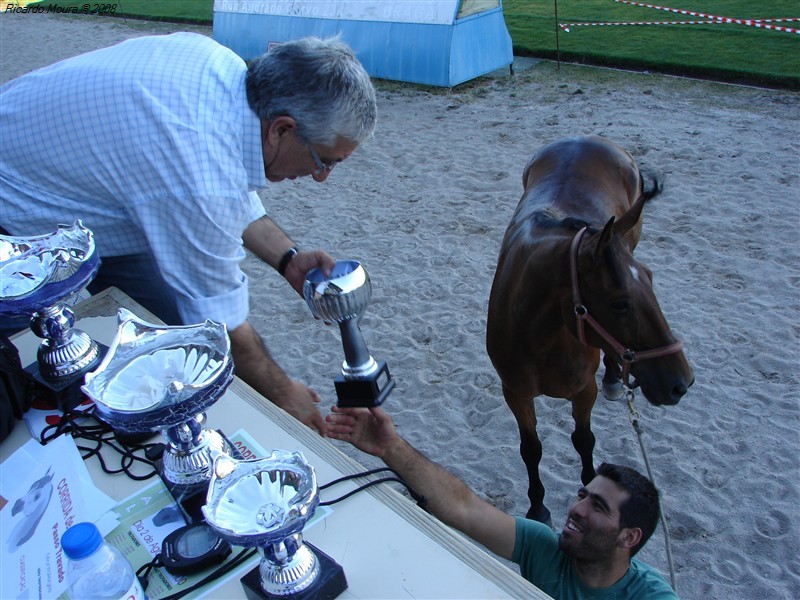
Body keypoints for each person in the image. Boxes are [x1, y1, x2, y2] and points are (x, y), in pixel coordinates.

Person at [0, 33, 378, 435]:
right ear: (280, 129)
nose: (321, 178)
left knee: (179, 335)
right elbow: (220, 318)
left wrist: (288, 258)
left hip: (98, 196)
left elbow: (225, 189)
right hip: (16, 212)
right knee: (14, 384)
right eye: (324, 160)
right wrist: (283, 391)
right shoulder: (197, 164)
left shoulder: (224, 71)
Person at [326, 406, 678, 599]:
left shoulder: (650, 596)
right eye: (582, 495)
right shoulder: (545, 548)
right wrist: (391, 448)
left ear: (629, 537)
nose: (576, 509)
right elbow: (463, 507)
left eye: (598, 506)